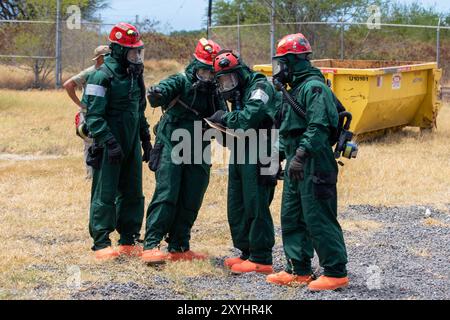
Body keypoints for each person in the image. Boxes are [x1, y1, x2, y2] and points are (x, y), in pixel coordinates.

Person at [266, 33, 349, 291]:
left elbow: (318, 126)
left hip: (314, 160)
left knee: (318, 216)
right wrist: (281, 157)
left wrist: (300, 156)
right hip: (296, 160)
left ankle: (335, 272)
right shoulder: (295, 91)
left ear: (293, 61)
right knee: (292, 215)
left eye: (282, 63)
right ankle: (298, 270)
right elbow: (288, 130)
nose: (279, 69)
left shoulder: (315, 88)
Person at [141, 39, 225, 264]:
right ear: (194, 66)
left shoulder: (216, 91)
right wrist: (156, 94)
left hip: (201, 146)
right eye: (203, 70)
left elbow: (223, 116)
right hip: (172, 142)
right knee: (168, 192)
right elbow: (162, 91)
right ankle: (151, 244)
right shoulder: (180, 80)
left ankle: (179, 246)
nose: (207, 75)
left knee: (192, 194)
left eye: (211, 71)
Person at [206, 50, 278, 275]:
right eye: (223, 81)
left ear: (240, 73)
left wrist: (224, 118)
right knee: (237, 203)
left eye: (230, 79)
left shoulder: (259, 87)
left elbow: (248, 118)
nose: (227, 85)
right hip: (241, 150)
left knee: (256, 203)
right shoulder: (239, 93)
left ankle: (261, 257)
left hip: (262, 150)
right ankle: (246, 251)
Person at [84, 23, 152, 261]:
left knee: (133, 191)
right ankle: (101, 242)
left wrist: (145, 140)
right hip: (109, 143)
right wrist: (108, 141)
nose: (136, 56)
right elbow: (92, 116)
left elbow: (139, 111)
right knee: (106, 192)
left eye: (138, 51)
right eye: (132, 51)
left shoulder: (136, 76)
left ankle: (129, 239)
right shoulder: (100, 75)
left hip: (131, 141)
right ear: (119, 51)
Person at [63, 45, 111, 179]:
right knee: (90, 143)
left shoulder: (108, 72)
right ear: (100, 58)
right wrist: (81, 104)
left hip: (103, 112)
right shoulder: (90, 72)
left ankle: (103, 173)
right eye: (107, 56)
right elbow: (68, 85)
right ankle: (91, 175)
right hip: (89, 114)